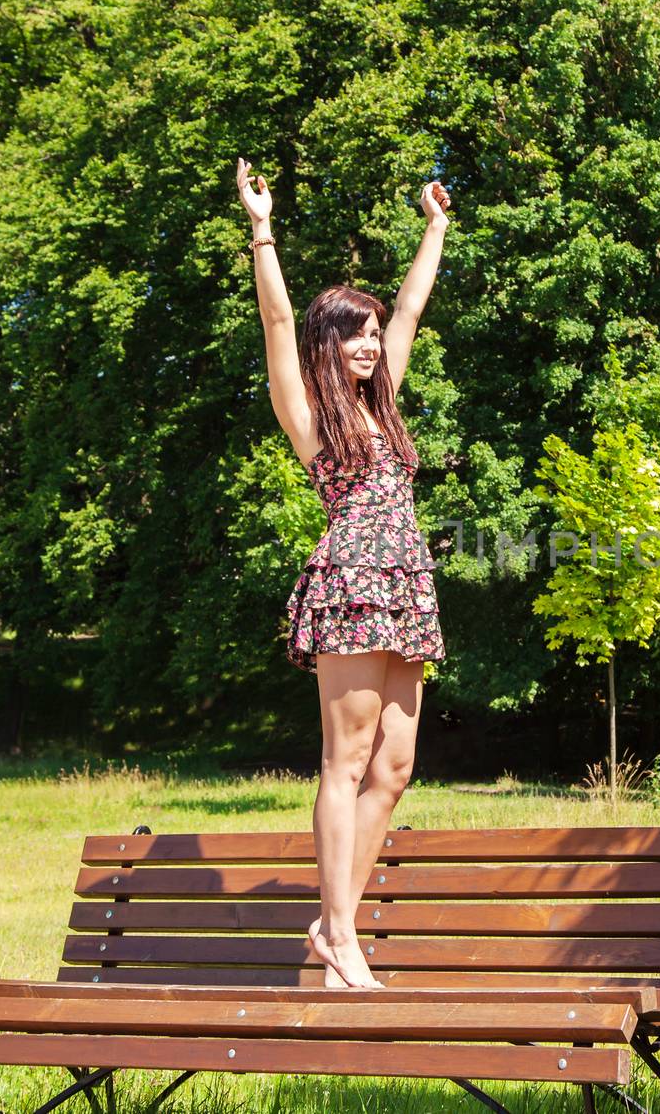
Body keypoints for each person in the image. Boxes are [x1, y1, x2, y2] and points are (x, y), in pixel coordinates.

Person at [236, 157, 448, 989]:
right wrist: (263, 227)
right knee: (347, 761)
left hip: (406, 584)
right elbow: (280, 321)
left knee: (395, 768)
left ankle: (333, 932)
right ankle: (341, 936)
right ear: (331, 342)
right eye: (352, 333)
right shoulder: (309, 413)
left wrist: (434, 226)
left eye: (370, 333)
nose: (368, 343)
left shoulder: (382, 397)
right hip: (354, 582)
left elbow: (410, 307)